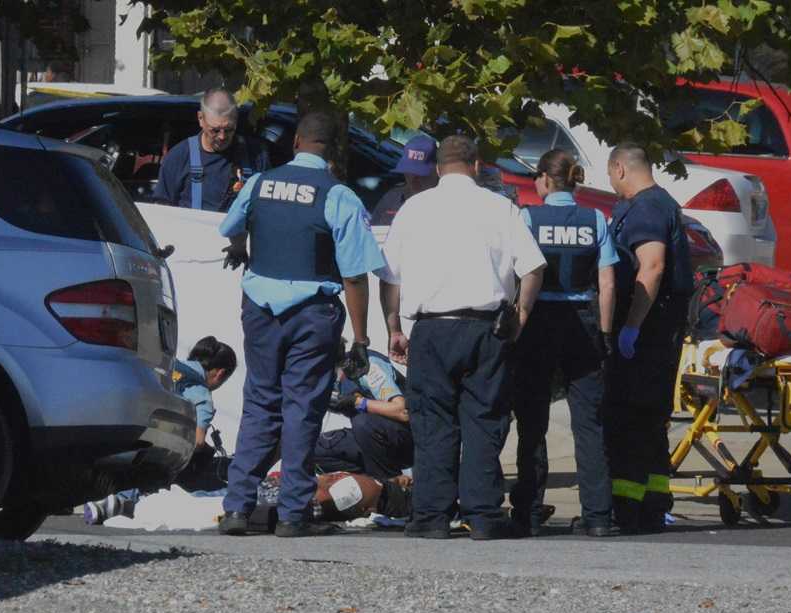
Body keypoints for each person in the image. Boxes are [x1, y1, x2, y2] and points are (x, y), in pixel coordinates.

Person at [217, 111, 387, 537]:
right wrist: (362, 339)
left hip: (260, 309)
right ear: (332, 151)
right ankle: (293, 514)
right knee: (302, 409)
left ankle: (237, 507)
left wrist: (242, 249)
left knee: (259, 403)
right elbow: (353, 275)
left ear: (295, 141)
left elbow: (231, 226)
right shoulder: (339, 195)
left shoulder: (259, 182)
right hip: (312, 314)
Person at [376, 134, 546, 540]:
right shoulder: (501, 207)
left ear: (437, 168)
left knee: (433, 423)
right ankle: (484, 516)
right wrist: (520, 314)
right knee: (483, 421)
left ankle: (431, 516)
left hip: (431, 329)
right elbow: (534, 267)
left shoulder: (414, 208)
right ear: (476, 165)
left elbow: (389, 277)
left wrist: (394, 328)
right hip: (485, 328)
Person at [510, 149, 618, 538]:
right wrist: (605, 333)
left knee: (532, 421)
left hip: (538, 321)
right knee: (588, 423)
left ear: (544, 179)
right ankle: (599, 516)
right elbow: (607, 283)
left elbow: (518, 274)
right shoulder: (595, 219)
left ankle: (529, 512)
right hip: (584, 323)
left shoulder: (527, 217)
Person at [604, 141, 694, 533]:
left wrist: (631, 327)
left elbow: (652, 267)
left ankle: (628, 507)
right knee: (650, 419)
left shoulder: (647, 207)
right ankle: (653, 503)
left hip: (648, 329)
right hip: (659, 327)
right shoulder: (659, 204)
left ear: (620, 169)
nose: (611, 183)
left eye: (610, 175)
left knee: (630, 418)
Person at [83, 336, 237, 524]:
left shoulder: (168, 365)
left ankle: (112, 499)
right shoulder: (202, 395)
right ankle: (122, 501)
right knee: (207, 482)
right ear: (220, 374)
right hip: (160, 460)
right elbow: (196, 442)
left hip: (123, 433)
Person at [153, 87, 268, 212]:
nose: (222, 136)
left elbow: (267, 206)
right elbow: (162, 209)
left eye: (229, 129)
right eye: (215, 130)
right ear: (200, 119)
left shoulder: (256, 154)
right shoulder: (179, 157)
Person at [316, 342, 414, 480]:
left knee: (362, 422)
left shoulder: (364, 365)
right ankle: (372, 483)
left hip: (409, 437)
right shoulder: (326, 381)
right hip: (373, 441)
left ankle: (392, 484)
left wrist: (358, 402)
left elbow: (403, 412)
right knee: (315, 450)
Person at [371, 136, 440, 228]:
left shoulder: (447, 205)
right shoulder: (392, 198)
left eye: (421, 173)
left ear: (437, 170)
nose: (414, 179)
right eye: (409, 172)